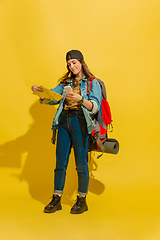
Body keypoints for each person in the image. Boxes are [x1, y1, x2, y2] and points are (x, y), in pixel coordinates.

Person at [31, 50, 102, 214]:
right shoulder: (65, 83)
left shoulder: (93, 82)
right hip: (63, 121)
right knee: (60, 162)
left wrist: (81, 100)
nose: (72, 66)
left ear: (82, 62)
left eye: (75, 62)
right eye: (69, 64)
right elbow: (52, 98)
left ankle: (82, 200)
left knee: (81, 163)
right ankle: (56, 199)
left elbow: (95, 106)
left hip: (81, 122)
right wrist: (40, 92)